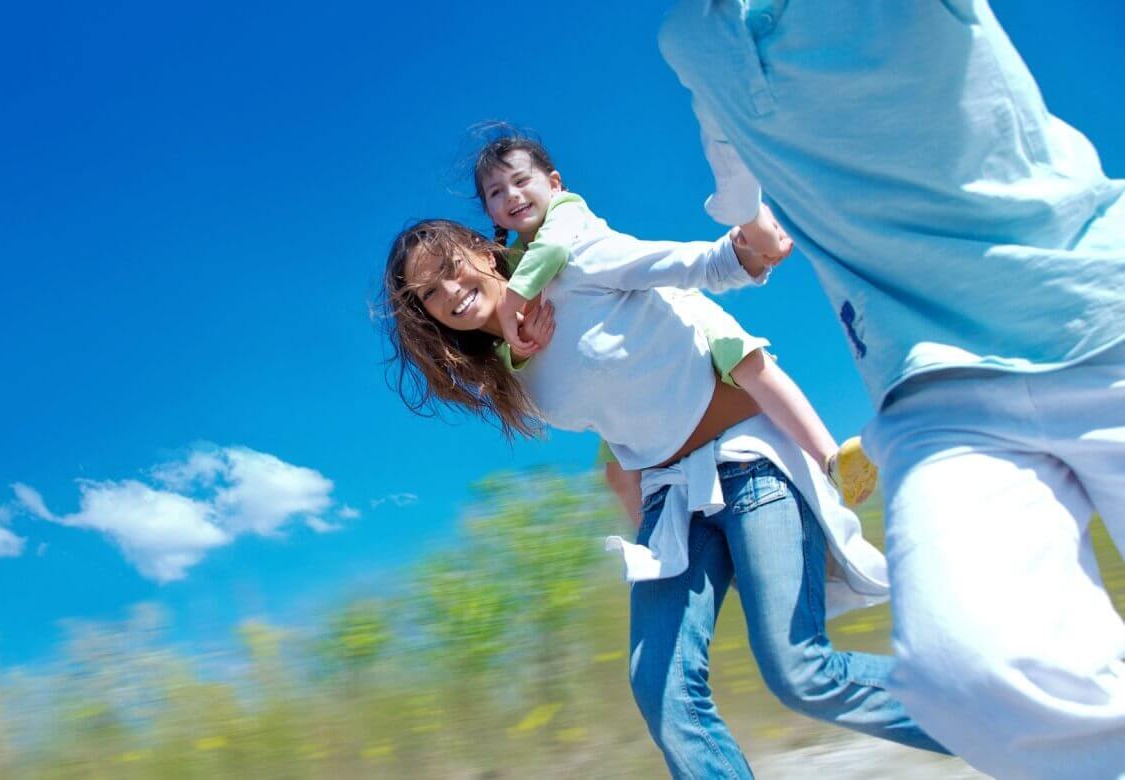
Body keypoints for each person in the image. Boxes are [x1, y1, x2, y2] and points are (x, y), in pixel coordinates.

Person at [658, 1, 1125, 776]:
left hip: (1096, 313)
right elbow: (733, 170)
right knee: (970, 677)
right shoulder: (690, 36)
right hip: (931, 386)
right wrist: (747, 224)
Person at [380, 218, 947, 777]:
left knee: (798, 669)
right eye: (430, 292)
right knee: (661, 685)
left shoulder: (571, 263)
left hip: (749, 463)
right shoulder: (510, 370)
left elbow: (678, 270)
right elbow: (625, 397)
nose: (450, 293)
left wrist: (745, 250)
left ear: (483, 250)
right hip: (670, 501)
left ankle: (1002, 722)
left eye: (452, 269)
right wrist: (630, 495)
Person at [470, 131, 877, 508]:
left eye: (522, 181)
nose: (512, 195)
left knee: (748, 362)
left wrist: (512, 303)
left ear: (555, 183)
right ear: (489, 210)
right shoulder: (514, 259)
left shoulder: (567, 218)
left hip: (673, 312)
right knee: (617, 471)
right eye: (496, 192)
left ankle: (829, 459)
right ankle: (654, 551)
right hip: (637, 385)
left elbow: (556, 252)